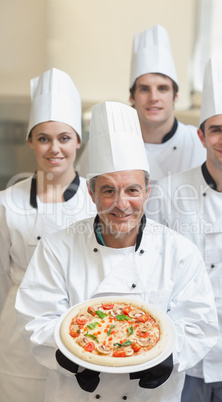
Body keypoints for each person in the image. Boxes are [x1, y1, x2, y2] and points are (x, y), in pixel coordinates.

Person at [15, 101, 218, 402]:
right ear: (91, 192)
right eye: (108, 190)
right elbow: (37, 318)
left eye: (132, 190)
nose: (121, 204)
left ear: (148, 192)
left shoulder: (180, 252)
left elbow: (199, 323)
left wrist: (169, 356)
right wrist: (68, 355)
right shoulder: (57, 248)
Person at [146, 57, 222, 401]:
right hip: (185, 361)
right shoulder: (168, 193)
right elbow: (152, 274)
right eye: (215, 129)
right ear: (201, 135)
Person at [0, 67, 96, 402]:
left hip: (80, 327)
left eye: (64, 138)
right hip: (17, 334)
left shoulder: (96, 199)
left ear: (79, 141)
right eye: (43, 138)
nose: (54, 149)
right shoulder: (7, 203)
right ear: (30, 141)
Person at [76, 25, 206, 182]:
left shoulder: (198, 144)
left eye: (162, 89)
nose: (153, 97)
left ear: (175, 96)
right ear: (132, 97)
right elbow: (84, 196)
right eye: (144, 89)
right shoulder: (105, 143)